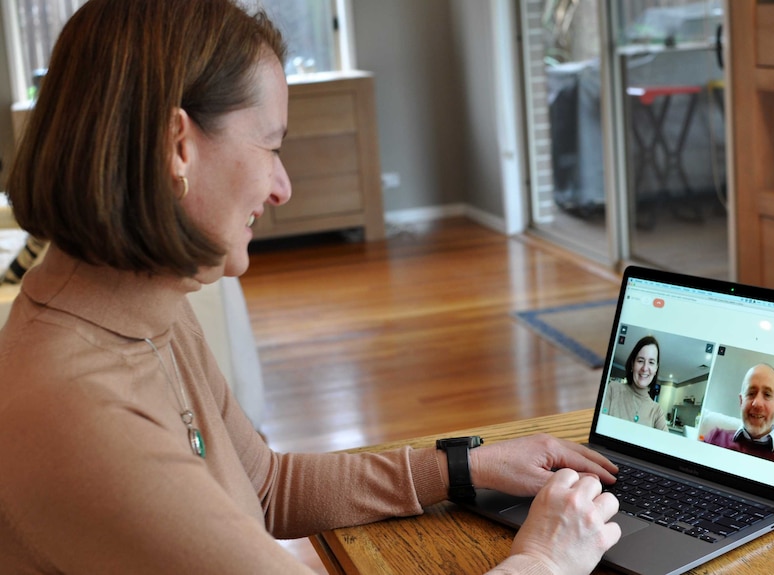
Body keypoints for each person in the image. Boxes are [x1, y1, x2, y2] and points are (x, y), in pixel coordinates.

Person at [0, 1, 622, 573]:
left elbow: (265, 487)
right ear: (178, 146)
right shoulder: (80, 415)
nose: (281, 187)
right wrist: (547, 558)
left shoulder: (144, 303)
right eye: (270, 145)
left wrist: (462, 467)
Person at [703, 364, 774, 469]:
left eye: (767, 394)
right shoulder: (714, 439)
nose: (757, 403)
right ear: (741, 400)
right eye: (751, 393)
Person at [601, 335, 668, 431]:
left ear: (656, 369)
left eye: (651, 362)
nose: (645, 368)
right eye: (640, 361)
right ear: (632, 364)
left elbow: (665, 443)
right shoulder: (612, 389)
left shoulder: (656, 411)